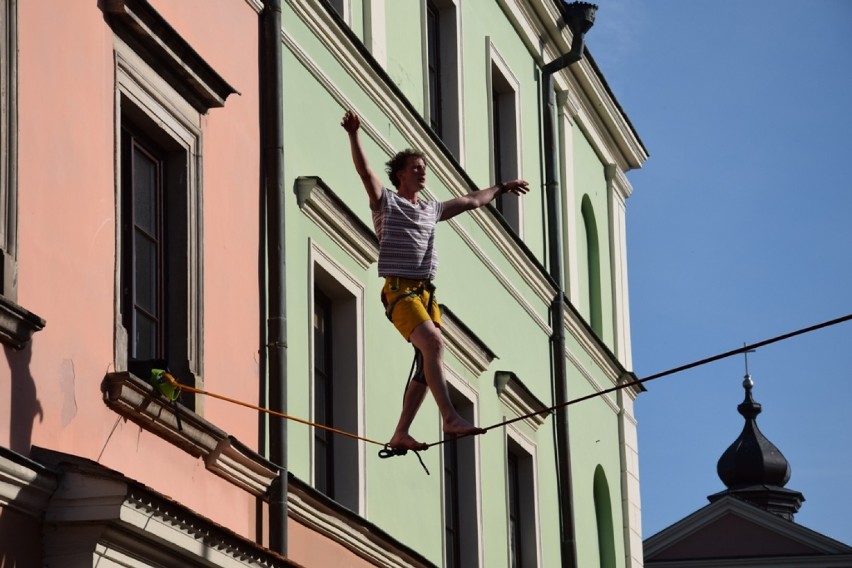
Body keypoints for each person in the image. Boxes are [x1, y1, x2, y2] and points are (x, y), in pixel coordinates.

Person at [341, 110, 530, 452]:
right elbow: (365, 173)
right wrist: (354, 135)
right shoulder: (387, 203)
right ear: (400, 174)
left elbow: (473, 201)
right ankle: (449, 418)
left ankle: (401, 432)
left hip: (425, 296)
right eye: (416, 168)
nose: (422, 172)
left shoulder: (431, 209)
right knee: (434, 347)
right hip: (400, 291)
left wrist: (502, 187)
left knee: (425, 367)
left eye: (424, 169)